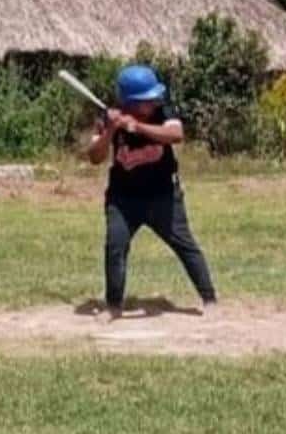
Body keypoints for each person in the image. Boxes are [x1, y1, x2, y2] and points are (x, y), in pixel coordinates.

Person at [87, 64, 217, 319]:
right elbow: (94, 156)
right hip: (123, 198)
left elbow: (176, 135)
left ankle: (209, 299)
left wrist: (137, 126)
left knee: (185, 244)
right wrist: (112, 129)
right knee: (115, 245)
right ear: (131, 101)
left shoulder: (163, 110)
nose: (154, 100)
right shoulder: (107, 117)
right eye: (147, 98)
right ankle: (113, 306)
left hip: (163, 195)